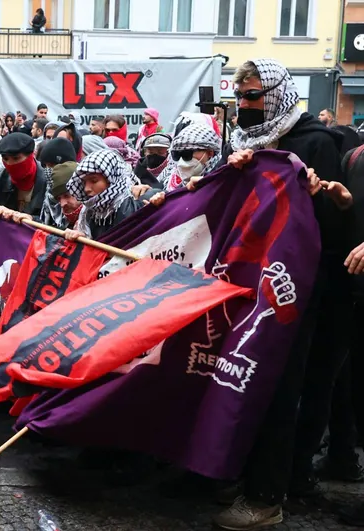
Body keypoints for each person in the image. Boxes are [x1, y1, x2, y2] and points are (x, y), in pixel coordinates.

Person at [214, 58, 348, 531]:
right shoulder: (249, 141)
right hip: (252, 285)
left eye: (253, 96)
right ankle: (252, 474)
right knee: (246, 381)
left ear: (275, 94)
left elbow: (331, 227)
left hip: (297, 292)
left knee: (281, 388)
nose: (245, 105)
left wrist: (314, 191)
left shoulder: (314, 143)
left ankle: (268, 495)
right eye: (240, 97)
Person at [164, 122, 222, 191]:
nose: (181, 161)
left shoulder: (222, 181)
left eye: (187, 154)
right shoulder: (170, 185)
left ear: (210, 153)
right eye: (177, 155)